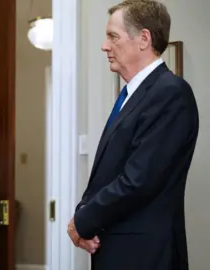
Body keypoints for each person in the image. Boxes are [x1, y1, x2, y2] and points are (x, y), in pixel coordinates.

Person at [67, 1, 199, 270]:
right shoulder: (133, 95)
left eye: (113, 37)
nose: (105, 46)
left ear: (144, 39)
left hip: (145, 256)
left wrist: (82, 222)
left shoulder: (170, 93)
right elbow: (109, 173)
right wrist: (83, 212)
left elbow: (138, 180)